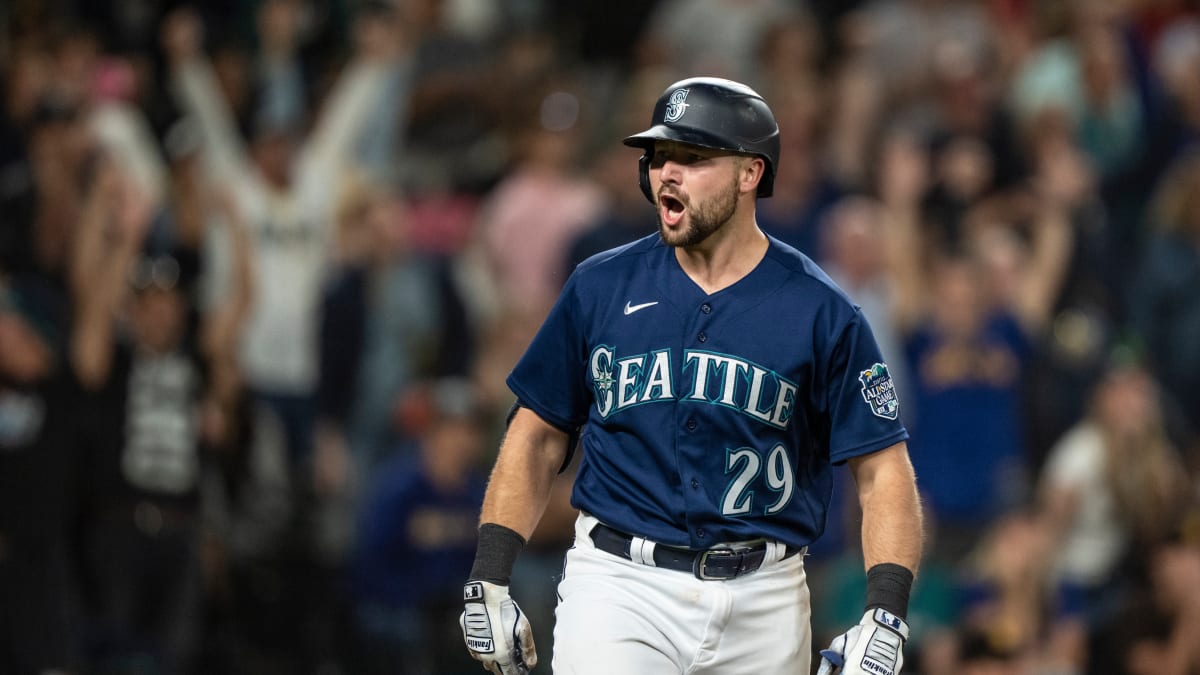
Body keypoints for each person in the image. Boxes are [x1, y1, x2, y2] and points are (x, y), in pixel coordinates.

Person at [459, 76, 924, 675]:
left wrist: (884, 612)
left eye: (693, 157)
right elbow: (537, 433)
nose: (665, 174)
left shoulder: (820, 310)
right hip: (620, 585)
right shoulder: (601, 287)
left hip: (766, 598)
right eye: (658, 156)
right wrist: (490, 575)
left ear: (750, 173)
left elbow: (884, 470)